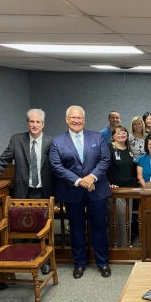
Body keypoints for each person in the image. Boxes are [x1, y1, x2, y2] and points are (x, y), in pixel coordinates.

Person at [49, 105, 111, 279]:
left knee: (99, 227)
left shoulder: (97, 137)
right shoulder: (57, 141)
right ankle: (79, 263)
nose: (77, 121)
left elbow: (105, 159)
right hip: (72, 191)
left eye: (80, 118)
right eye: (73, 118)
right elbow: (56, 166)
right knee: (76, 229)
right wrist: (79, 181)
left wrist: (92, 177)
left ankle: (103, 262)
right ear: (67, 119)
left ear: (84, 120)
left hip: (96, 190)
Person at [0, 108, 54, 199]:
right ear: (28, 123)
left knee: (45, 214)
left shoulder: (52, 142)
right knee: (22, 214)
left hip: (44, 191)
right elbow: (3, 161)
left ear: (43, 124)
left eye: (38, 122)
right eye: (32, 121)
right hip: (22, 191)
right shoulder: (17, 140)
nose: (35, 125)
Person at [107, 125, 136, 247]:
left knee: (127, 219)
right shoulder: (109, 149)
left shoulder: (129, 150)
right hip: (116, 190)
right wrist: (108, 183)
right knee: (118, 218)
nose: (122, 135)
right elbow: (104, 168)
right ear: (113, 136)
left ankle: (125, 243)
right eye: (118, 133)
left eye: (124, 132)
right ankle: (116, 245)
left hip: (129, 190)